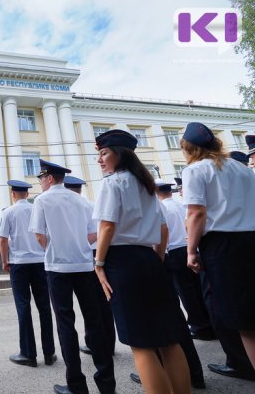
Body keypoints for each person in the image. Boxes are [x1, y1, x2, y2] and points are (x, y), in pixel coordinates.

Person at [92, 129, 190, 394]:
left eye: (103, 153)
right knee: (169, 340)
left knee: (141, 344)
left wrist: (99, 264)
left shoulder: (112, 184)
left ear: (119, 154)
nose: (99, 160)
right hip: (149, 258)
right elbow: (163, 230)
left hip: (122, 262)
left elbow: (107, 227)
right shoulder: (147, 185)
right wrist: (155, 260)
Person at [29, 162, 116, 394]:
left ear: (48, 178)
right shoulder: (81, 200)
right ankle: (107, 383)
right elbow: (92, 233)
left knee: (65, 324)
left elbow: (39, 235)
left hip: (58, 269)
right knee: (94, 321)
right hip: (84, 266)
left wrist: (56, 249)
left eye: (41, 177)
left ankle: (76, 385)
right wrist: (76, 247)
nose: (40, 181)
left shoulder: (42, 200)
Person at [181, 122, 255, 370]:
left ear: (189, 149)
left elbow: (196, 214)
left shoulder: (195, 170)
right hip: (251, 238)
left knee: (244, 320)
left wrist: (191, 251)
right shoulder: (242, 168)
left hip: (223, 246)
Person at [0, 180, 56, 368]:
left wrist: (4, 261)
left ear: (13, 194)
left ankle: (28, 354)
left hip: (19, 264)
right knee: (44, 307)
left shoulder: (8, 212)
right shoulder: (36, 209)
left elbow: (3, 239)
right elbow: (46, 234)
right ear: (27, 194)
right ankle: (49, 353)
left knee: (23, 307)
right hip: (40, 263)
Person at [63, 175, 116, 358]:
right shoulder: (92, 204)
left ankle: (95, 343)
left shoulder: (72, 207)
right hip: (101, 253)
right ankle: (108, 343)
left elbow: (92, 234)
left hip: (88, 255)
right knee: (103, 301)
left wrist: (78, 245)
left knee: (91, 304)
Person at [155, 181, 213, 341]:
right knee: (199, 289)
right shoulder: (181, 205)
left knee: (186, 292)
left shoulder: (161, 208)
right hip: (189, 247)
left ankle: (199, 327)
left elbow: (162, 233)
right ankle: (209, 322)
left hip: (174, 252)